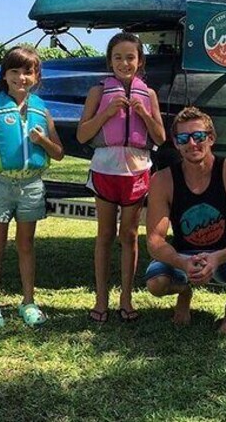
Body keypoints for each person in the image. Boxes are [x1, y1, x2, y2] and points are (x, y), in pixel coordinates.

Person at [144, 106, 226, 335]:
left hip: (225, 256)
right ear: (176, 143)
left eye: (198, 136)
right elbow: (154, 240)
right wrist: (183, 263)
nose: (192, 143)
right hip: (184, 257)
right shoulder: (162, 180)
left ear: (211, 138)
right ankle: (184, 292)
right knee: (156, 282)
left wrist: (218, 257)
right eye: (184, 138)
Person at [0, 46, 64, 329]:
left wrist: (43, 141)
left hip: (31, 185)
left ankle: (28, 301)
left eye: (28, 72)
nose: (21, 77)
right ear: (4, 74)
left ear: (36, 77)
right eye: (15, 71)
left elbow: (58, 152)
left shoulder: (42, 111)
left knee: (26, 245)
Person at [76, 32, 166, 323]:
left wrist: (144, 113)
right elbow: (82, 135)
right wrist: (107, 114)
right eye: (118, 57)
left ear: (139, 62)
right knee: (104, 235)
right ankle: (101, 300)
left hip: (137, 170)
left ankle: (126, 298)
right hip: (105, 170)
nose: (124, 62)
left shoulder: (148, 94)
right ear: (110, 61)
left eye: (130, 57)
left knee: (129, 236)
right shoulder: (99, 92)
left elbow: (161, 138)